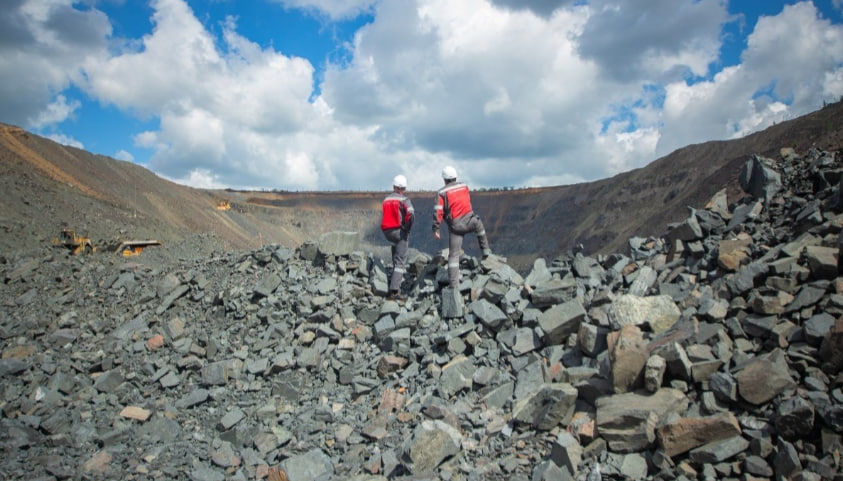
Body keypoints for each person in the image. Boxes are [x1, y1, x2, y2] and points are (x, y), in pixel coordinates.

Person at [432, 165, 492, 288]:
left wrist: (436, 228)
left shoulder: (441, 193)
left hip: (456, 227)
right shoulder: (464, 187)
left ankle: (454, 285)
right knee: (479, 225)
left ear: (444, 180)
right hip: (470, 221)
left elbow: (438, 211)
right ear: (455, 177)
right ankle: (486, 251)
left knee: (453, 255)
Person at [381, 174, 415, 300]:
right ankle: (394, 291)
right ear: (404, 187)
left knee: (395, 254)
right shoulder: (404, 200)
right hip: (399, 231)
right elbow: (411, 214)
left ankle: (392, 282)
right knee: (400, 262)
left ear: (394, 186)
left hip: (387, 232)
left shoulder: (386, 200)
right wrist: (407, 227)